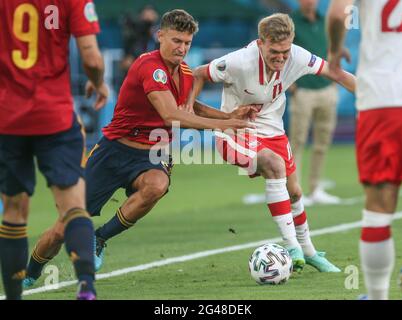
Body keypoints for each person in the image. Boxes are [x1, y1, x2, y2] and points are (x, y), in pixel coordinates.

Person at [22, 9, 256, 288]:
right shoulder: (149, 66)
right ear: (160, 36)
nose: (181, 48)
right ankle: (31, 272)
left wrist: (231, 116)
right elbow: (172, 115)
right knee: (63, 228)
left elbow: (189, 109)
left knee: (157, 184)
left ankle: (100, 238)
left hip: (151, 154)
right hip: (113, 152)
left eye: (187, 43)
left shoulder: (183, 73)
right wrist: (225, 124)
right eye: (176, 40)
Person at [191, 13, 356, 273]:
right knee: (273, 164)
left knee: (296, 193)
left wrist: (371, 98)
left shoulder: (298, 56)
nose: (281, 57)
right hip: (234, 132)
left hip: (273, 130)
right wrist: (189, 109)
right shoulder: (238, 62)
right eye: (274, 51)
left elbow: (335, 73)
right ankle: (291, 247)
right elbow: (199, 73)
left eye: (285, 51)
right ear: (261, 43)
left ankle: (310, 252)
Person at [0, 0, 108, 300]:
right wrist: (98, 83)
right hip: (55, 117)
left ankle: (12, 296)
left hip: (8, 119)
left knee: (13, 211)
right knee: (73, 206)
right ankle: (86, 285)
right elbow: (92, 58)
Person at [327, 0, 402, 300]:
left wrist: (334, 53)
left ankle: (377, 297)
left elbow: (337, 14)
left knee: (378, 210)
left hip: (383, 102)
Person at [289, 0, 340, 205]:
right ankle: (296, 191)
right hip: (303, 91)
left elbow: (332, 49)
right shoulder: (291, 22)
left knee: (322, 142)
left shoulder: (326, 20)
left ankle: (316, 188)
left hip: (327, 89)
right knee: (297, 142)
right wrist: (291, 85)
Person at [120, 5, 160, 74]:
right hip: (137, 74)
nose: (148, 19)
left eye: (151, 15)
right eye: (146, 16)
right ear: (140, 17)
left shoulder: (161, 37)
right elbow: (125, 63)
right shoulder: (133, 37)